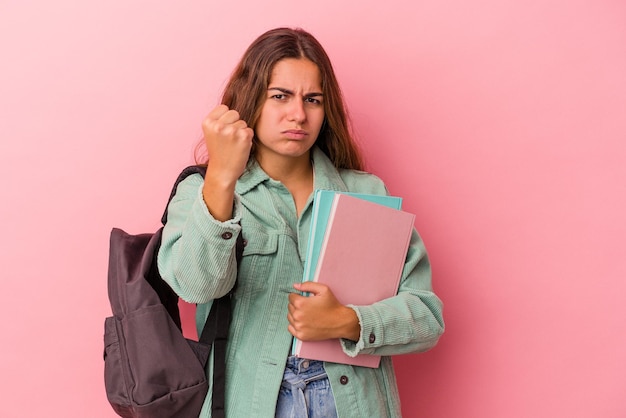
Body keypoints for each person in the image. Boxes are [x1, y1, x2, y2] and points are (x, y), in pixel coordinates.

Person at [157, 27, 444, 418]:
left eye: (313, 99)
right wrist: (222, 176)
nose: (298, 114)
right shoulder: (202, 189)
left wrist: (348, 321)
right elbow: (195, 285)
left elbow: (426, 316)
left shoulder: (366, 193)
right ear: (251, 100)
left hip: (351, 404)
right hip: (250, 402)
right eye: (280, 96)